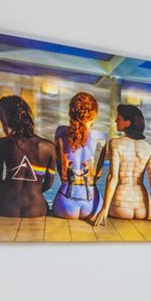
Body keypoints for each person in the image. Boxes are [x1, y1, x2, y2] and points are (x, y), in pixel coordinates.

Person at [0, 94, 58, 219]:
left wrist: (11, 189)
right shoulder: (49, 147)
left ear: (7, 119)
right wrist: (34, 190)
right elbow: (48, 184)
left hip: (6, 205)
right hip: (36, 207)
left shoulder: (1, 144)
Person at [93, 103, 151, 226]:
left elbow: (112, 177)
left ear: (128, 123)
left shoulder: (115, 144)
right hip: (144, 208)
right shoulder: (149, 149)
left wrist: (105, 208)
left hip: (121, 207)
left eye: (119, 118)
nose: (116, 120)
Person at [52, 91, 103, 220]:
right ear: (94, 114)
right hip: (92, 205)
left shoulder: (61, 132)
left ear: (71, 112)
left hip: (65, 203)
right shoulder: (101, 137)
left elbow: (60, 169)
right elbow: (98, 175)